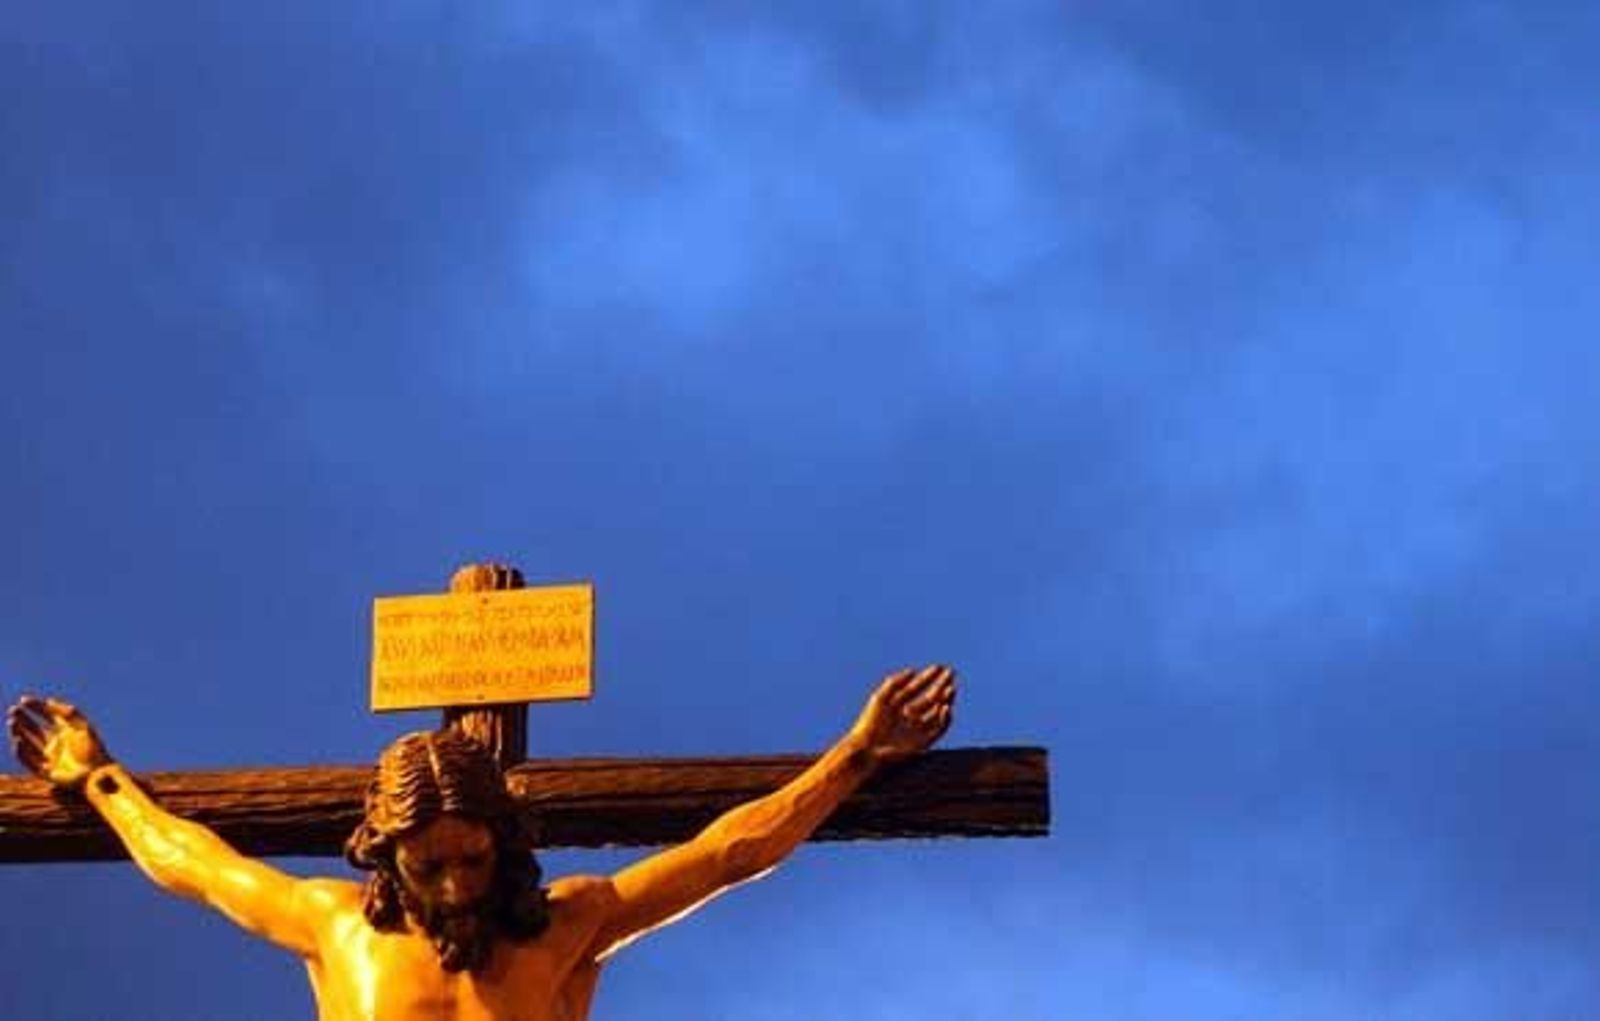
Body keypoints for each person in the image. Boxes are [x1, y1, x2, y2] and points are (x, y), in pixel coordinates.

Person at [7, 664, 955, 1021]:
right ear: (387, 857)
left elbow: (728, 852)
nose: (457, 880)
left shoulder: (571, 922)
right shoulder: (332, 926)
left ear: (506, 844)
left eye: (473, 856)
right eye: (431, 863)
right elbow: (193, 862)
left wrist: (857, 753)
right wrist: (99, 780)